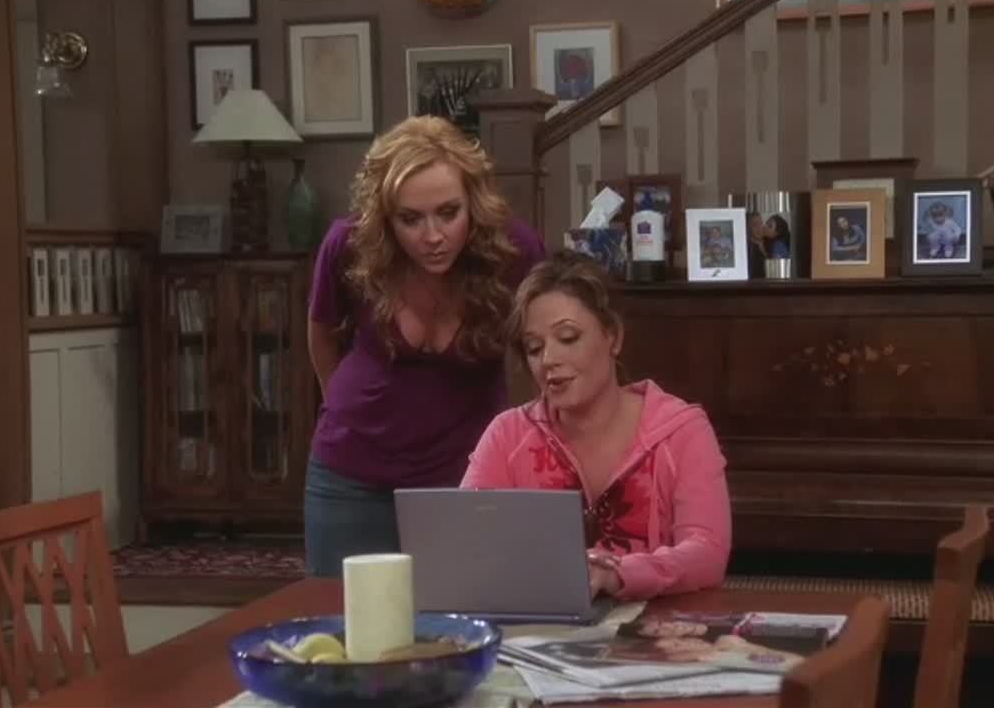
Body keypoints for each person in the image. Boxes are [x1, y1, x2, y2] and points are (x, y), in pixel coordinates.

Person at [305, 115, 547, 577]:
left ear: (473, 201)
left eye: (449, 213)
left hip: (467, 474)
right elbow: (321, 332)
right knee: (347, 616)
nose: (433, 236)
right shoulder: (349, 244)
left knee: (466, 611)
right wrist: (339, 407)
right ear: (385, 216)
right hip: (350, 474)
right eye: (410, 219)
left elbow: (544, 347)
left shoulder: (514, 250)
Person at [460, 251, 732, 601]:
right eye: (534, 348)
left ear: (613, 336)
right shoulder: (507, 435)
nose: (549, 360)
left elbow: (707, 552)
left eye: (568, 338)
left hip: (656, 625)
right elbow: (463, 548)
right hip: (541, 624)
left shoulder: (683, 431)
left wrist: (619, 574)